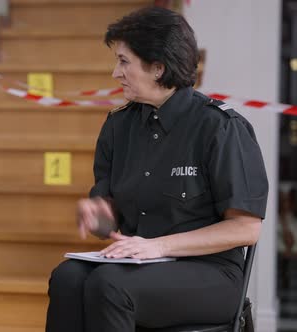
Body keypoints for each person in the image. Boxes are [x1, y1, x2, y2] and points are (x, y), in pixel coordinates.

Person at [45, 6, 268, 331]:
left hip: (211, 273)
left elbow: (245, 229)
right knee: (66, 278)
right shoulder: (118, 126)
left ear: (158, 68)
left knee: (109, 285)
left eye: (124, 61)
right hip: (139, 262)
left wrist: (158, 246)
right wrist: (98, 214)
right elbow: (110, 223)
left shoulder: (220, 127)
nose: (115, 73)